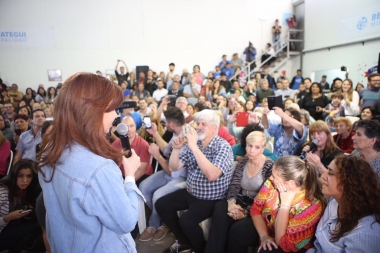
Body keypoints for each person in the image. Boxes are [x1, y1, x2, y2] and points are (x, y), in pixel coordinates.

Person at [37, 73, 143, 253]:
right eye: (111, 110)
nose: (116, 117)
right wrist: (130, 176)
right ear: (90, 112)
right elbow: (126, 221)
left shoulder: (49, 149)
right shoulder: (99, 169)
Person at [156, 109, 233, 253]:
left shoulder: (223, 147)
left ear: (215, 128)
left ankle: (199, 249)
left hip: (212, 198)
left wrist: (193, 147)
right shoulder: (194, 143)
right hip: (192, 192)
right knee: (161, 204)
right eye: (198, 123)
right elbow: (173, 167)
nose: (198, 127)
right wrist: (177, 149)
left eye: (204, 124)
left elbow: (212, 175)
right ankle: (185, 242)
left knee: (186, 221)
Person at [229, 155, 325, 253]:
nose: (270, 178)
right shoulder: (271, 184)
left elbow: (283, 243)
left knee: (267, 250)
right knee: (237, 231)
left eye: (274, 176)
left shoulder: (311, 207)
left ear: (290, 183)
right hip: (270, 228)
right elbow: (255, 209)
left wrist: (285, 205)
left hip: (291, 245)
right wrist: (264, 236)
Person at [205, 131, 274, 253]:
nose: (252, 150)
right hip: (240, 199)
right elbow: (235, 184)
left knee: (237, 230)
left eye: (257, 147)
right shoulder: (243, 162)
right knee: (220, 209)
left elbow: (265, 198)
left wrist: (245, 212)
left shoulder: (269, 166)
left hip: (257, 207)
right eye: (249, 146)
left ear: (263, 148)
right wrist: (231, 203)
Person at [307, 154, 380, 253]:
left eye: (330, 173)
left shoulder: (365, 234)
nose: (323, 176)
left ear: (349, 182)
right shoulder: (335, 201)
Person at [138, 107, 187, 242]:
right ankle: (166, 220)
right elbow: (167, 150)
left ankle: (154, 225)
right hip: (167, 173)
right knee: (143, 188)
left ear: (171, 124)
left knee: (157, 196)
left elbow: (172, 170)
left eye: (165, 123)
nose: (165, 125)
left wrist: (156, 155)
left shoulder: (186, 137)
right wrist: (155, 133)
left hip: (181, 178)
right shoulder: (177, 133)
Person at [0, 159, 42, 253]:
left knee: (37, 226)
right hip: (2, 230)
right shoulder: (3, 191)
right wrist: (8, 217)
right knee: (34, 227)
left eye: (29, 176)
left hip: (10, 227)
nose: (25, 180)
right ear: (15, 176)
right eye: (20, 176)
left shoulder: (28, 190)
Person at [112, 116, 152, 185]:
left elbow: (142, 170)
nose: (129, 129)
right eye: (126, 127)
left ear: (135, 127)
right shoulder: (115, 144)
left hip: (140, 176)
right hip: (122, 175)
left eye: (131, 126)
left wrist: (127, 183)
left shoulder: (143, 145)